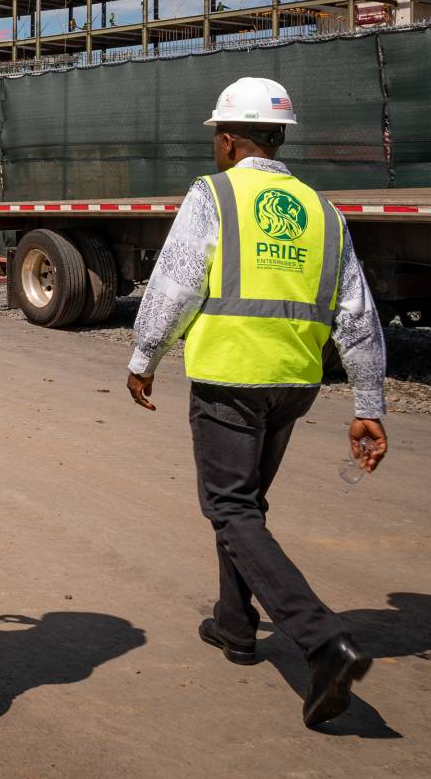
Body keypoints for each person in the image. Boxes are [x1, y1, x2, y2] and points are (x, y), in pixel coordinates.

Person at [124, 75, 388, 728]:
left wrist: (144, 356)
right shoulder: (323, 210)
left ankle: (322, 641)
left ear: (232, 138)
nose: (216, 144)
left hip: (230, 376)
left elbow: (177, 281)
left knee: (229, 506)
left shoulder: (214, 193)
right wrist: (369, 402)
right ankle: (235, 626)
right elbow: (358, 312)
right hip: (294, 382)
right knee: (244, 505)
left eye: (218, 133)